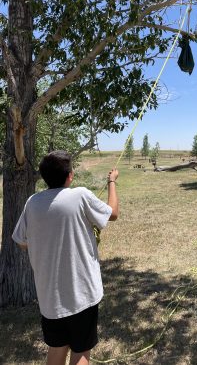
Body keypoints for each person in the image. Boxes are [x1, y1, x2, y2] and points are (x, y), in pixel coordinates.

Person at [12, 150, 119, 365]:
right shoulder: (80, 195)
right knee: (80, 353)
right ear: (69, 175)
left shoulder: (32, 202)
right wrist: (111, 181)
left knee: (57, 348)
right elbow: (113, 213)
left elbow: (22, 242)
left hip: (50, 299)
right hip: (83, 295)